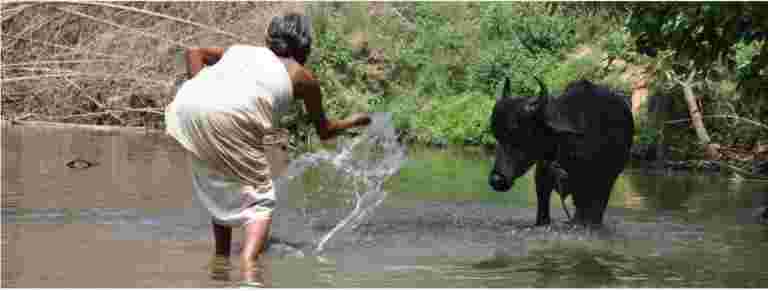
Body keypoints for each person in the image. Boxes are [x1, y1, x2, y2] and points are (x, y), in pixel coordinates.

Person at [164, 12, 370, 284]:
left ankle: (221, 265)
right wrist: (354, 121)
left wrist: (201, 88)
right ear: (304, 47)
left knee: (221, 180)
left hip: (188, 109)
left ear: (268, 38)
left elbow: (194, 52)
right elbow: (324, 131)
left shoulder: (241, 51)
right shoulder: (303, 77)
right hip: (229, 118)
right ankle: (250, 272)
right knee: (262, 197)